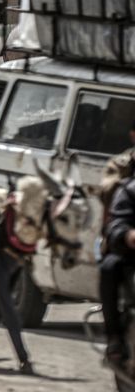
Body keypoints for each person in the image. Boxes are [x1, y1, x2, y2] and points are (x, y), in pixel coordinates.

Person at [101, 124, 135, 368]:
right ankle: (114, 338)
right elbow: (116, 215)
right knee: (109, 266)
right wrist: (128, 235)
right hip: (128, 251)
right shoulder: (124, 174)